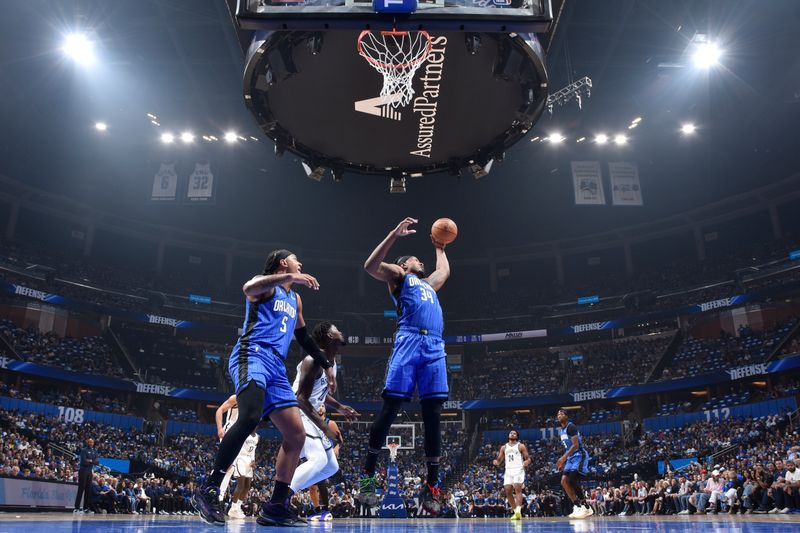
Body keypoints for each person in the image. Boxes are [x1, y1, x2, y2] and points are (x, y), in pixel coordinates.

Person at [192, 249, 333, 527]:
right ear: (283, 263)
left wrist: (325, 362)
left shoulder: (296, 299)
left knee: (295, 434)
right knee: (250, 415)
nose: (300, 262)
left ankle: (276, 505)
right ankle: (209, 489)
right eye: (295, 259)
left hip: (277, 366)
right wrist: (292, 276)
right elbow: (248, 287)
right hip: (252, 354)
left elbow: (302, 336)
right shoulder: (265, 285)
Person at [359, 217, 451, 512]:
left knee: (433, 415)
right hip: (410, 342)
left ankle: (432, 487)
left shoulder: (428, 285)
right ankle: (368, 477)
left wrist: (441, 246)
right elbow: (370, 266)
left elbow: (444, 271)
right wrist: (393, 235)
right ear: (405, 264)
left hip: (435, 346)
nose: (420, 260)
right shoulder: (400, 277)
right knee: (391, 408)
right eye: (416, 258)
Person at [289, 322, 358, 521]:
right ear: (329, 336)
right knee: (318, 459)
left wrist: (339, 407)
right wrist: (325, 427)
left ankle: (286, 490)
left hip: (311, 414)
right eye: (337, 329)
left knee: (331, 467)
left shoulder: (332, 363)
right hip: (298, 411)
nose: (341, 331)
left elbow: (320, 393)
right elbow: (301, 398)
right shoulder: (312, 361)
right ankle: (280, 499)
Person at [214, 394, 259, 519]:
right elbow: (219, 410)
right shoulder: (236, 397)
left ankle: (223, 502)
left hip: (239, 434)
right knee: (227, 467)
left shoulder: (253, 399)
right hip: (229, 432)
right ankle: (217, 498)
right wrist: (219, 429)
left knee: (231, 468)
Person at [556, 409, 593, 519]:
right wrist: (564, 460)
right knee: (563, 481)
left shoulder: (571, 427)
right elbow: (568, 447)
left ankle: (586, 507)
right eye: (558, 414)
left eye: (562, 414)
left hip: (579, 455)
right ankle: (577, 506)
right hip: (571, 458)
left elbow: (575, 445)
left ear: (566, 416)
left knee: (572, 480)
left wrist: (563, 458)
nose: (559, 415)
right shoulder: (561, 430)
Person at [492, 430, 531, 521]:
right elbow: (499, 460)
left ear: (517, 436)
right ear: (508, 435)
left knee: (517, 488)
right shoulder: (504, 447)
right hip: (508, 470)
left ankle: (518, 510)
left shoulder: (521, 446)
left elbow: (528, 458)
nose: (512, 434)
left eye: (514, 433)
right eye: (510, 433)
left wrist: (526, 462)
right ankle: (515, 512)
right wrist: (496, 462)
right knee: (507, 491)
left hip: (518, 469)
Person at [73, 437, 98, 514]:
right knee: (81, 489)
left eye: (92, 442)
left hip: (90, 472)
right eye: (89, 442)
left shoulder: (94, 451)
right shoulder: (84, 450)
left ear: (93, 443)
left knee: (88, 490)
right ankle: (76, 508)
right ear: (87, 442)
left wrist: (90, 460)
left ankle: (86, 508)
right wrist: (92, 461)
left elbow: (97, 462)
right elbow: (84, 461)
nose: (91, 443)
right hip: (83, 471)